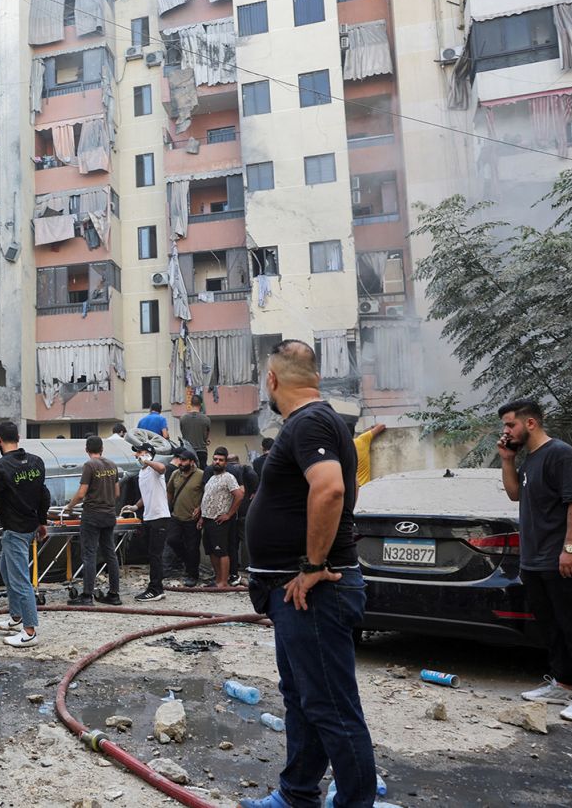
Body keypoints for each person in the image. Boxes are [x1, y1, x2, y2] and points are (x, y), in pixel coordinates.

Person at [240, 340, 374, 808]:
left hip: (314, 591)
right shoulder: (313, 421)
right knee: (302, 699)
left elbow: (331, 490)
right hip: (292, 590)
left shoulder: (311, 421)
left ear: (272, 380)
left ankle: (353, 802)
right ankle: (297, 795)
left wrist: (313, 566)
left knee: (332, 708)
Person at [499, 398, 572, 723]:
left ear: (530, 423)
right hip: (536, 561)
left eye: (509, 425)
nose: (505, 431)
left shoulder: (561, 454)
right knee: (553, 629)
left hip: (563, 560)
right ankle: (564, 683)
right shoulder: (531, 459)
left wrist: (571, 548)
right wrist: (507, 460)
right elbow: (515, 494)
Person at [0, 421, 50, 647]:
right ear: (18, 436)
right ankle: (16, 617)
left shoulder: (0, 467)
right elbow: (43, 494)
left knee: (19, 579)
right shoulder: (37, 462)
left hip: (16, 530)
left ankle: (30, 631)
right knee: (6, 569)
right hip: (28, 526)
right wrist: (42, 521)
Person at [63, 436, 123, 606]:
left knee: (89, 554)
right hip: (109, 515)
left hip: (92, 515)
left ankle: (87, 596)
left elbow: (82, 493)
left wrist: (69, 506)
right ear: (102, 449)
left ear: (87, 450)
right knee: (110, 554)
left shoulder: (89, 466)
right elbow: (117, 493)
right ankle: (114, 594)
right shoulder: (112, 465)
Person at [132, 442, 172, 602]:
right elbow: (146, 494)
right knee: (151, 554)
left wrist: (147, 460)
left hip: (159, 516)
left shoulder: (154, 469)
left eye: (139, 452)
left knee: (156, 555)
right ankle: (155, 586)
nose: (136, 455)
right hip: (149, 516)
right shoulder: (142, 472)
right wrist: (135, 506)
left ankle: (156, 589)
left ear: (147, 454)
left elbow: (163, 468)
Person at [200, 449, 243, 589]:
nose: (217, 462)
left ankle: (223, 582)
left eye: (220, 460)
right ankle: (218, 580)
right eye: (215, 459)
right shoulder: (212, 478)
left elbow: (239, 495)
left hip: (220, 521)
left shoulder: (229, 477)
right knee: (212, 551)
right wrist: (202, 517)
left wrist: (229, 514)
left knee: (222, 551)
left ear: (225, 463)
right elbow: (207, 499)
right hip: (207, 520)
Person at [164, 448, 205, 588]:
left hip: (192, 519)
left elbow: (207, 494)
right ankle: (188, 562)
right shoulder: (175, 474)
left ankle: (192, 575)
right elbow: (169, 491)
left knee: (193, 547)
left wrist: (200, 508)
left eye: (184, 460)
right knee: (172, 540)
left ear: (192, 462)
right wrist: (167, 507)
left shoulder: (201, 475)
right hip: (176, 516)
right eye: (180, 460)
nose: (180, 463)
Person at [227, 452, 259, 586]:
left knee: (233, 542)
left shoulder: (228, 471)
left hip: (232, 511)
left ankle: (235, 567)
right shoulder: (245, 469)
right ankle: (248, 567)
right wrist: (255, 491)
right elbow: (254, 479)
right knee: (246, 540)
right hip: (245, 510)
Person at [353, 423, 386, 487]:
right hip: (364, 486)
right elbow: (382, 426)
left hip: (350, 488)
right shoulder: (361, 440)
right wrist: (372, 427)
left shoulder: (341, 448)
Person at [180, 393, 211, 461]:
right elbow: (207, 437)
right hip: (201, 451)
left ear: (190, 403)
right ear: (201, 404)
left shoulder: (183, 418)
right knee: (201, 471)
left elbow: (182, 432)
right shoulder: (206, 419)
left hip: (187, 451)